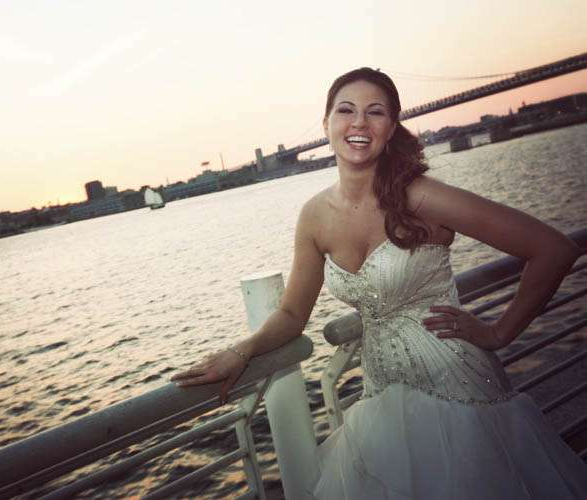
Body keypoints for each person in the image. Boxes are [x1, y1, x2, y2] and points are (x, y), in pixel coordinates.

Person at [171, 67, 587, 499]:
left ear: (391, 128)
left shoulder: (421, 196)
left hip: (457, 388)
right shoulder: (314, 215)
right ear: (326, 124)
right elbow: (293, 313)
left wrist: (498, 333)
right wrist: (241, 351)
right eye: (345, 110)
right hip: (381, 393)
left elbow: (552, 249)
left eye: (375, 112)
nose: (359, 123)